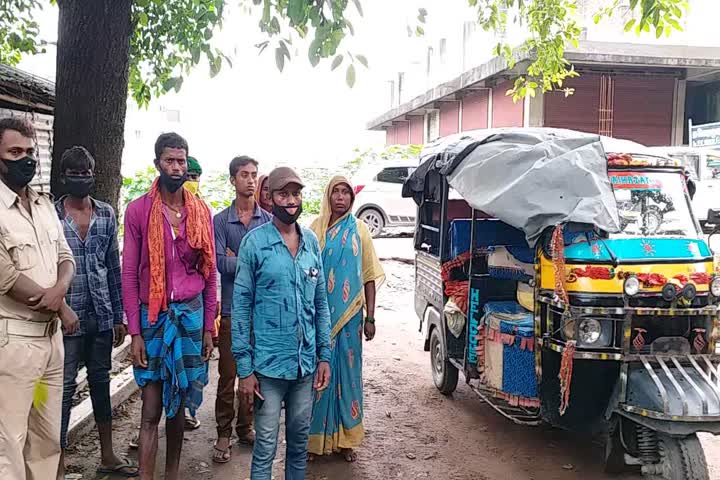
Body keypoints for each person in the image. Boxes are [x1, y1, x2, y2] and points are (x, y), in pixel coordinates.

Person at [122, 132, 217, 480]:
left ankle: (172, 474)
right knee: (151, 409)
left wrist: (209, 326)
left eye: (181, 161)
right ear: (157, 164)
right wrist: (135, 333)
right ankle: (146, 475)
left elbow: (210, 272)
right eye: (169, 160)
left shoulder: (200, 212)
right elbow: (129, 274)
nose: (176, 167)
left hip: (191, 318)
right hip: (154, 319)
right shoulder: (139, 211)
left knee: (178, 410)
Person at [232, 166, 331, 480]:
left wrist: (324, 355)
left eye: (296, 194)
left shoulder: (311, 243)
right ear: (269, 198)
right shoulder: (255, 244)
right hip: (267, 369)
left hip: (305, 367)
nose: (291, 200)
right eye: (283, 194)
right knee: (265, 446)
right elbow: (241, 307)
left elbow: (321, 303)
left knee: (299, 444)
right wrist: (245, 369)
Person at [0, 117, 79, 480]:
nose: (26, 159)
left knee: (46, 440)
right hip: (14, 345)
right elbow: (8, 277)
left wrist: (61, 289)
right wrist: (62, 305)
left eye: (30, 152)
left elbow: (65, 255)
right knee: (8, 444)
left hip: (51, 346)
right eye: (15, 152)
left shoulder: (44, 203)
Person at [55, 146, 137, 478]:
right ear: (64, 177)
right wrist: (59, 309)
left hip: (101, 315)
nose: (81, 179)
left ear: (93, 175)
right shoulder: (52, 216)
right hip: (67, 319)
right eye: (74, 174)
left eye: (86, 173)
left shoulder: (105, 214)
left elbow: (113, 268)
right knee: (62, 390)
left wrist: (119, 315)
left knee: (101, 384)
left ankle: (107, 455)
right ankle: (56, 464)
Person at [308, 176, 384, 462]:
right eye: (335, 192)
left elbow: (369, 275)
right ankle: (314, 441)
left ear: (352, 198)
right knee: (317, 376)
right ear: (327, 196)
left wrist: (371, 317)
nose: (340, 197)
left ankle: (346, 441)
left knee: (349, 377)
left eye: (346, 193)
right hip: (319, 316)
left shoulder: (360, 230)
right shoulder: (315, 229)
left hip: (351, 318)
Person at [212, 155, 272, 463]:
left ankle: (245, 427)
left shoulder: (269, 222)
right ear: (233, 180)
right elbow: (220, 265)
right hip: (233, 311)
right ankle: (223, 432)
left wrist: (239, 258)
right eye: (244, 174)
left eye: (254, 174)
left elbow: (269, 265)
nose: (250, 180)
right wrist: (252, 261)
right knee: (228, 374)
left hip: (261, 312)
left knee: (256, 374)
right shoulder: (220, 221)